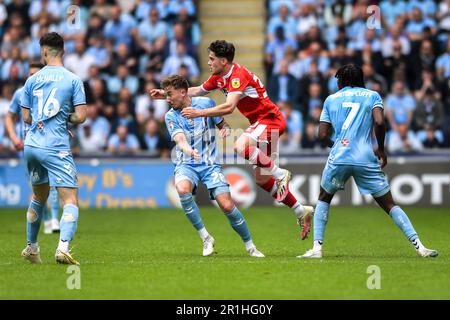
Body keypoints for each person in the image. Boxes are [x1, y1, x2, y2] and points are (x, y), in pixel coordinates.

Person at [151, 40, 314, 239]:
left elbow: (229, 107)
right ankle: (300, 210)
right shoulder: (218, 78)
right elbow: (196, 91)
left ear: (223, 60)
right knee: (262, 179)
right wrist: (165, 95)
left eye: (212, 59)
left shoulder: (237, 76)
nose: (209, 62)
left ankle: (280, 173)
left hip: (270, 120)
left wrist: (200, 113)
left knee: (240, 145)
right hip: (261, 125)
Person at [298, 64, 438, 259]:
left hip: (340, 156)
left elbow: (321, 135)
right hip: (365, 157)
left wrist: (335, 145)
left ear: (342, 80)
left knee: (324, 198)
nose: (336, 82)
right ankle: (420, 247)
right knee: (389, 204)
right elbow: (380, 122)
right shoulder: (373, 96)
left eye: (338, 79)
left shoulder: (331, 99)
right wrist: (381, 148)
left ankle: (316, 249)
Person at [162, 75, 264, 258]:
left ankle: (251, 246)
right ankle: (206, 237)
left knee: (226, 205)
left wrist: (225, 128)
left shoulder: (206, 103)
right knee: (182, 189)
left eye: (170, 94)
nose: (167, 99)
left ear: (183, 92)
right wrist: (188, 150)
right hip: (187, 163)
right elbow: (180, 139)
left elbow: (222, 122)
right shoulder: (170, 116)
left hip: (210, 165)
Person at [20, 32, 87, 265]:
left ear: (45, 52)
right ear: (64, 51)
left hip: (31, 145)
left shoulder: (31, 80)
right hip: (56, 145)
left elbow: (27, 117)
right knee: (70, 199)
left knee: (38, 197)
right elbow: (81, 116)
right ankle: (63, 249)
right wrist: (63, 118)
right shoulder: (73, 80)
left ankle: (32, 247)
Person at [5, 62, 61, 234]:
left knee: (53, 184)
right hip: (30, 147)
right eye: (31, 74)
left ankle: (54, 220)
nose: (33, 77)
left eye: (36, 74)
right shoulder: (20, 93)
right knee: (38, 187)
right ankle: (46, 221)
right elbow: (10, 117)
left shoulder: (52, 93)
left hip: (50, 144)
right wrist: (14, 137)